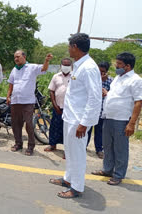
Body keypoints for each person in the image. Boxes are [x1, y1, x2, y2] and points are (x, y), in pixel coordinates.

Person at [49, 33, 102, 198]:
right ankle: (68, 179)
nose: (68, 49)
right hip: (69, 117)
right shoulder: (79, 65)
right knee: (70, 151)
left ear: (75, 47)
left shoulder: (89, 67)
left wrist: (84, 123)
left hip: (79, 119)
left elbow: (95, 97)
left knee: (78, 154)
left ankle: (77, 187)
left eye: (69, 46)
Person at [92, 52, 142, 185]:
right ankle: (107, 169)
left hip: (122, 119)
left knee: (120, 148)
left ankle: (119, 174)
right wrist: (107, 94)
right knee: (108, 146)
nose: (116, 66)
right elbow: (117, 95)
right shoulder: (118, 78)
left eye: (119, 64)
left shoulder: (135, 80)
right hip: (108, 117)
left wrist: (131, 124)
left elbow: (138, 103)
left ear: (128, 66)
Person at [7, 50, 53, 156]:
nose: (16, 59)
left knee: (29, 124)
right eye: (15, 57)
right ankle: (18, 144)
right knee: (16, 124)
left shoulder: (31, 67)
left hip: (27, 102)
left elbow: (44, 69)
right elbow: (11, 84)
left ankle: (30, 146)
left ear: (24, 57)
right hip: (15, 101)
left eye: (18, 56)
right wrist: (8, 96)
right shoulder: (14, 69)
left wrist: (46, 61)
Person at [44, 58, 72, 156]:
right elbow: (51, 91)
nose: (66, 67)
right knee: (55, 126)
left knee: (67, 129)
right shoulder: (56, 76)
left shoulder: (74, 77)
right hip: (58, 106)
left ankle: (67, 150)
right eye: (64, 65)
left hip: (70, 108)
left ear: (71, 66)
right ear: (60, 66)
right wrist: (54, 105)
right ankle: (52, 145)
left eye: (68, 65)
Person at [87, 62, 113, 159]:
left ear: (106, 72)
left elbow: (113, 94)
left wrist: (107, 94)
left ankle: (99, 149)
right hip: (91, 109)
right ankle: (84, 146)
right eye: (99, 71)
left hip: (102, 111)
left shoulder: (111, 81)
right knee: (87, 130)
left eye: (103, 72)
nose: (101, 74)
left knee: (99, 131)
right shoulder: (92, 79)